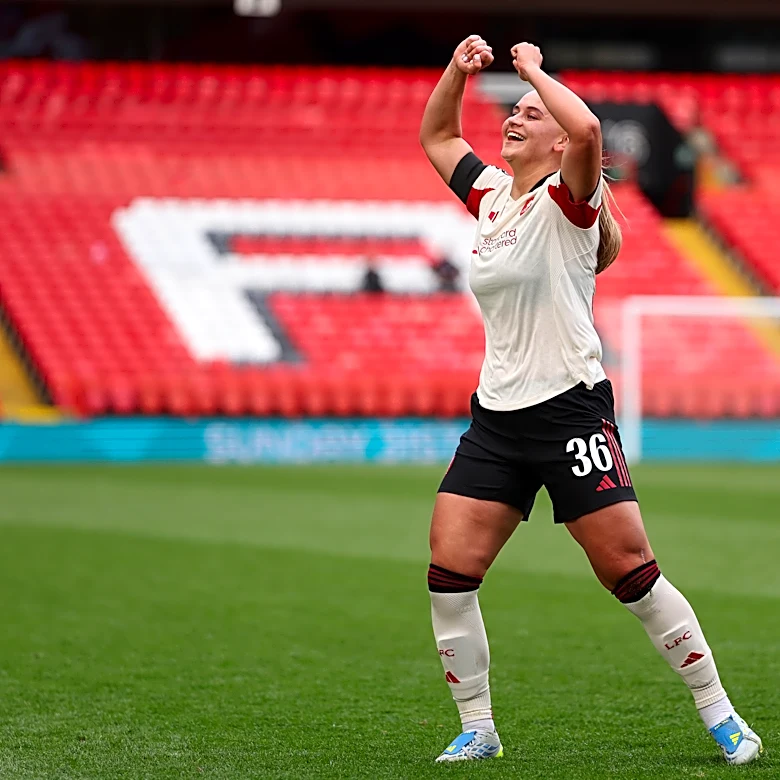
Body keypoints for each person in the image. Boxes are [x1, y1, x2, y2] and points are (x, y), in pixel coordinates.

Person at [419, 35, 763, 766]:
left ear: (554, 142)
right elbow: (438, 134)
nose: (513, 117)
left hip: (569, 409)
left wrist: (539, 71)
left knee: (631, 573)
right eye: (513, 110)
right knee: (449, 572)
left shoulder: (566, 199)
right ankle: (477, 727)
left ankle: (721, 714)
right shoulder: (489, 196)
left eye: (530, 113)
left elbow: (590, 132)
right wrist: (457, 71)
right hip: (497, 418)